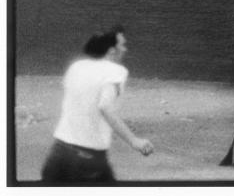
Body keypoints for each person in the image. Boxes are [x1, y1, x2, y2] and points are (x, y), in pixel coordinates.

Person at [41, 27, 153, 183]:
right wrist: (134, 140)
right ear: (112, 50)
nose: (125, 49)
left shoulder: (76, 67)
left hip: (58, 153)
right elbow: (106, 107)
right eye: (122, 45)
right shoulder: (116, 71)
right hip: (88, 160)